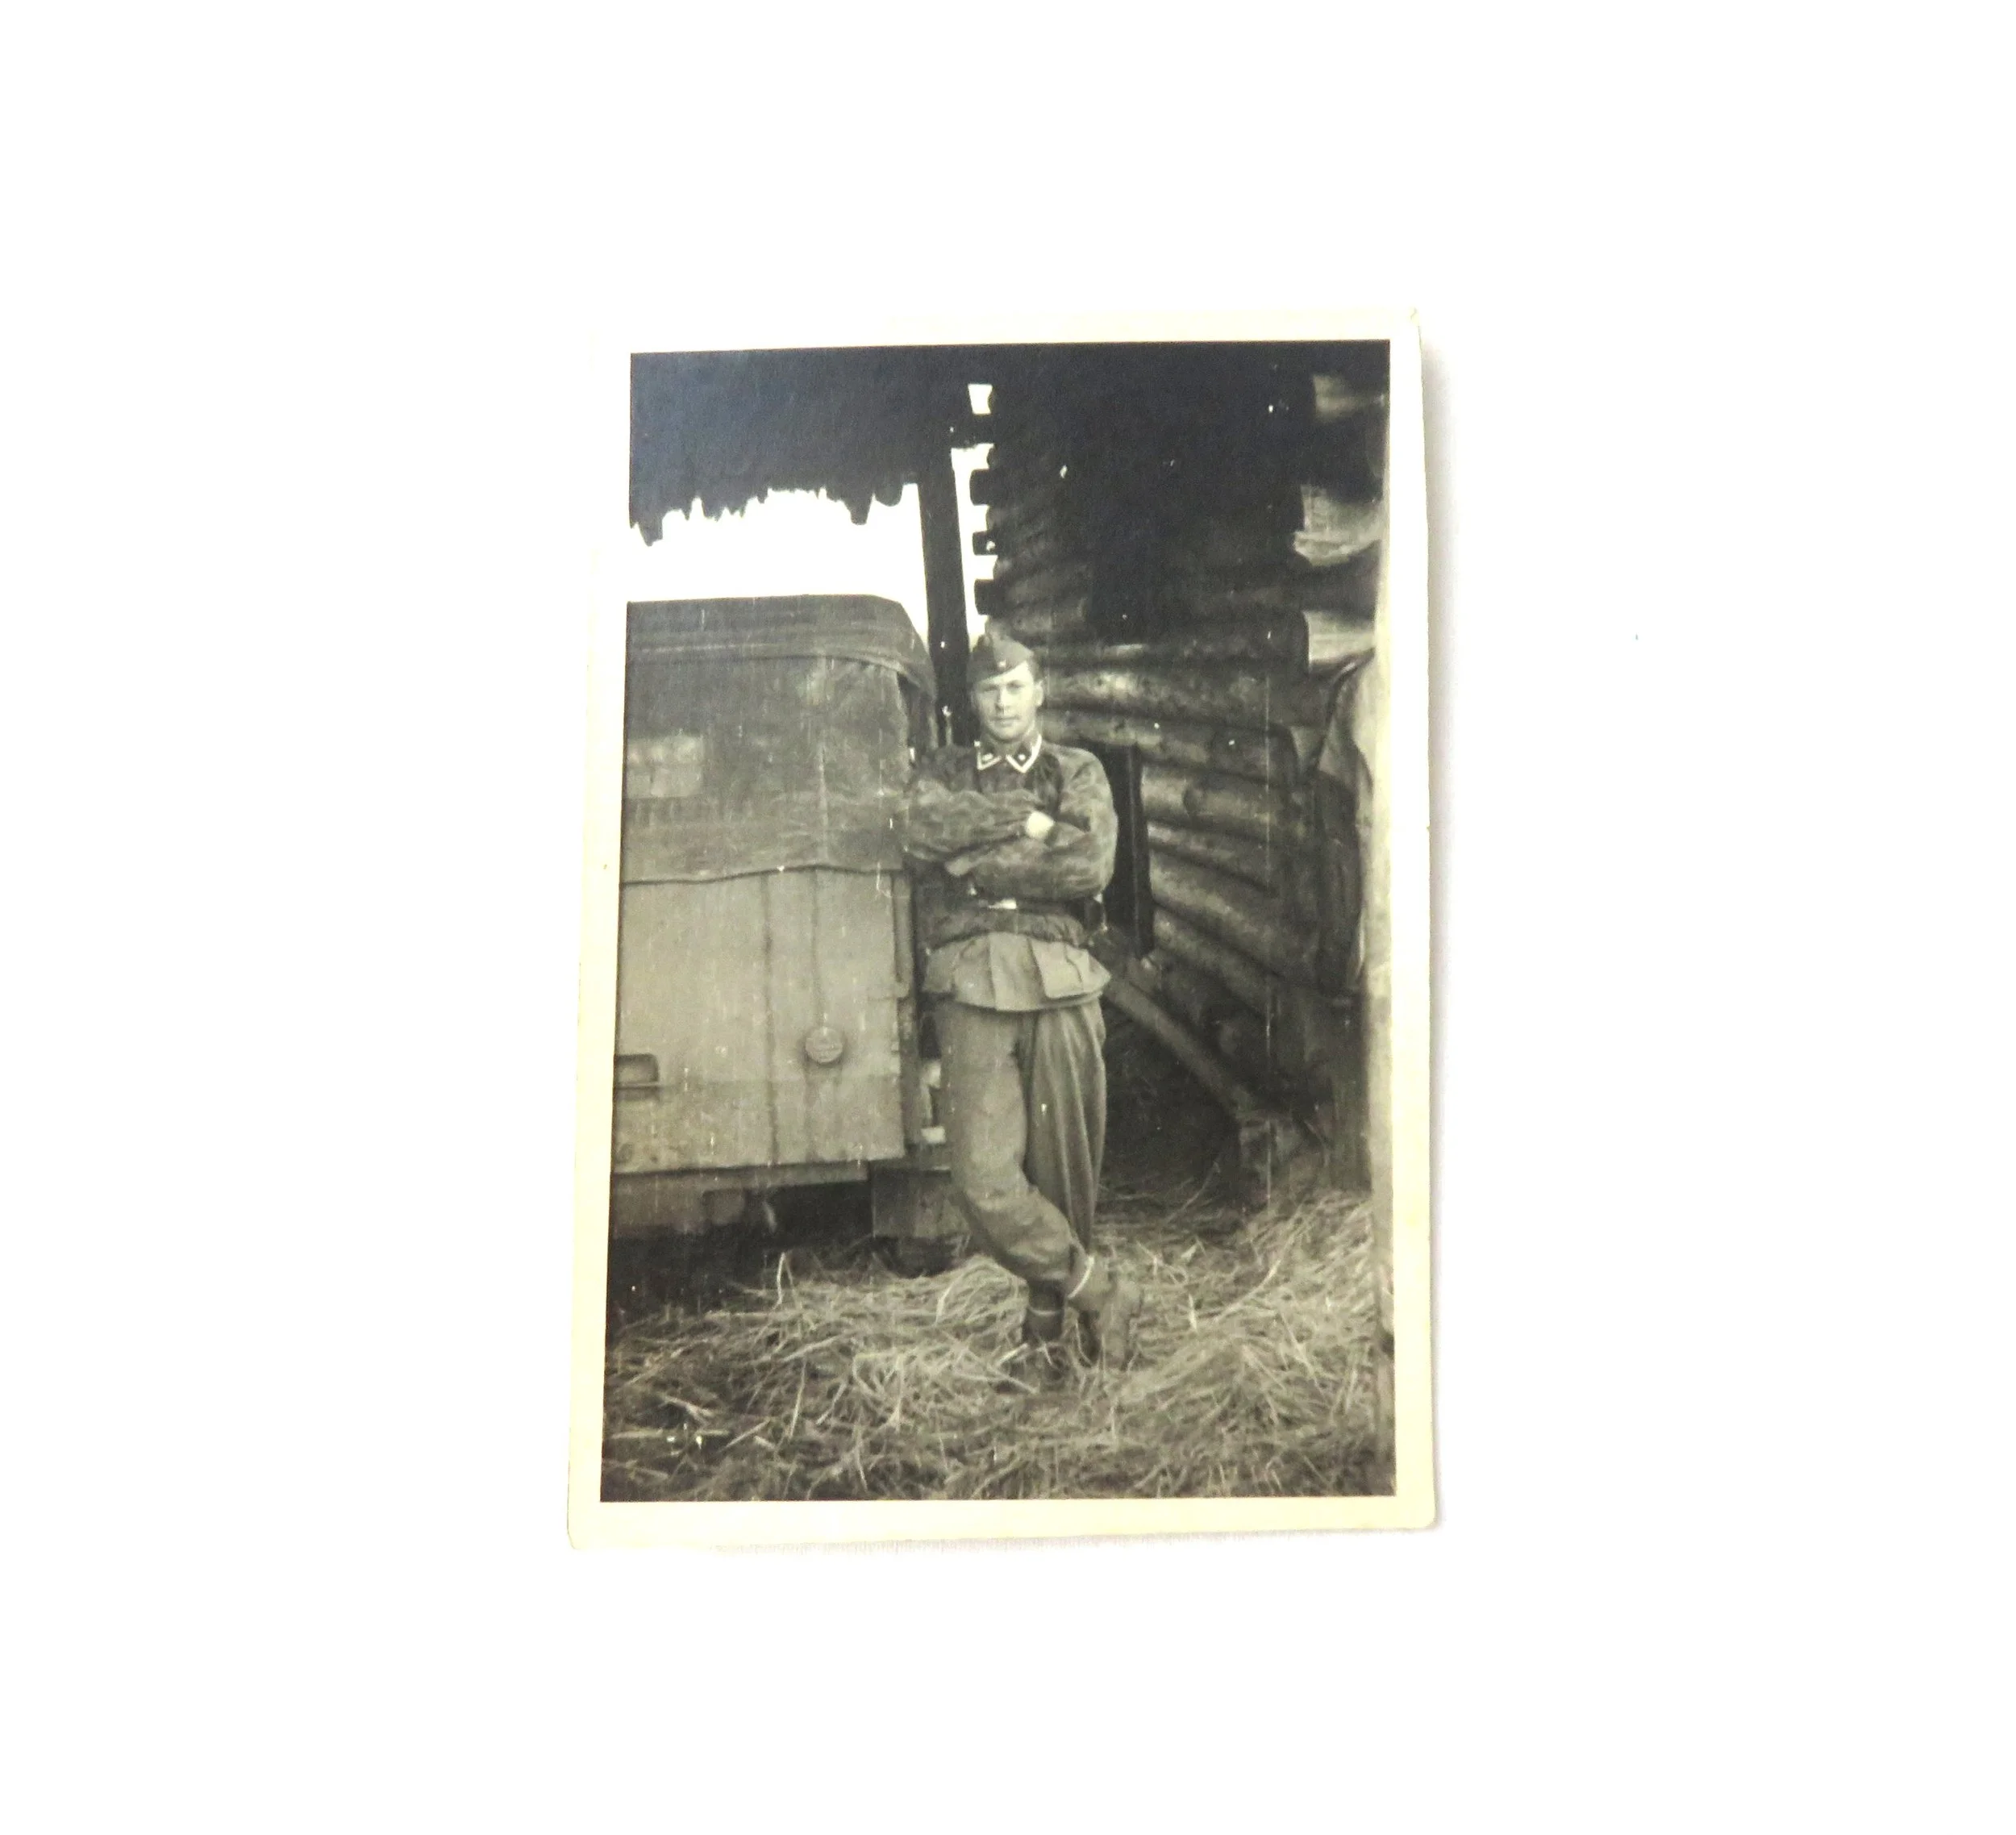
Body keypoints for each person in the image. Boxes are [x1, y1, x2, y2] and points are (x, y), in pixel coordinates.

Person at [899, 629, 1143, 1383]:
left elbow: (1091, 860)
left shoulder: (1078, 769)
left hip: (1062, 978)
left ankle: (1047, 1328)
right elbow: (919, 828)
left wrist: (977, 860)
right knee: (984, 1178)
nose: (1003, 703)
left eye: (1016, 688)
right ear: (970, 702)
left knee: (1067, 1165)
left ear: (1040, 690)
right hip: (973, 980)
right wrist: (1030, 825)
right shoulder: (941, 771)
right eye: (988, 691)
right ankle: (1100, 1290)